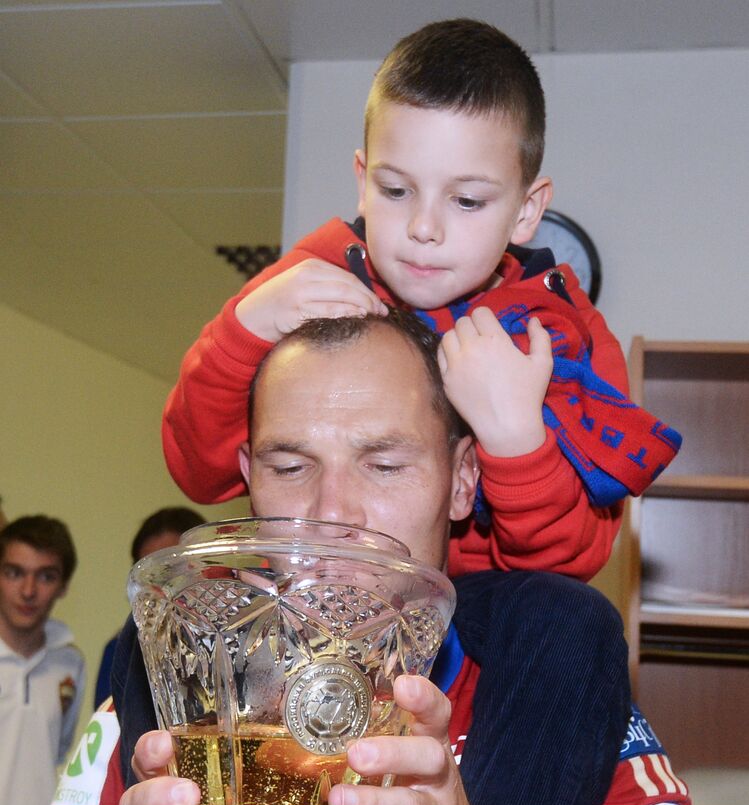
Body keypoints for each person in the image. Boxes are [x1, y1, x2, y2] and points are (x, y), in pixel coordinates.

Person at [2, 315, 737, 805]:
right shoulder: (169, 721)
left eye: (384, 465)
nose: (333, 513)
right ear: (248, 476)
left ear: (462, 481)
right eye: (290, 467)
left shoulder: (563, 705)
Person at [162, 18, 681, 581]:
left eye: (467, 200)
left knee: (575, 625)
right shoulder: (311, 277)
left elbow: (568, 568)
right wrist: (245, 329)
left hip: (475, 625)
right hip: (318, 596)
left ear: (528, 210)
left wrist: (517, 442)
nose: (423, 227)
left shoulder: (559, 337)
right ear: (362, 182)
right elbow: (198, 472)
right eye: (395, 190)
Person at [0, 516, 84, 805]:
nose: (28, 590)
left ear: (63, 585)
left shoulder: (69, 663)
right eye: (14, 572)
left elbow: (59, 753)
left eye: (45, 575)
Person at [93, 507, 205, 707]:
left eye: (171, 569)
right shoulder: (121, 651)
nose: (159, 584)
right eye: (149, 573)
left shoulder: (237, 645)